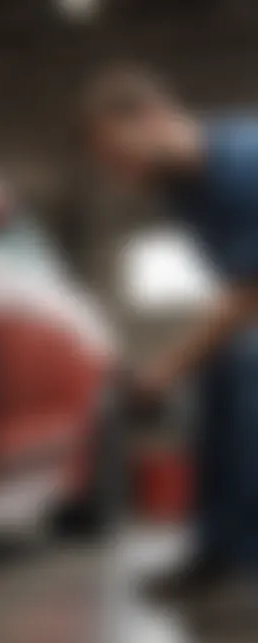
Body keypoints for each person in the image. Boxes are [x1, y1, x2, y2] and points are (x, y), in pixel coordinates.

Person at [81, 65, 258, 603]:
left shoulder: (242, 163)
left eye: (119, 156)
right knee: (222, 376)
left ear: (154, 119)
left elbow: (248, 294)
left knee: (248, 380)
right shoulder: (184, 189)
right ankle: (220, 554)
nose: (121, 176)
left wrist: (165, 368)